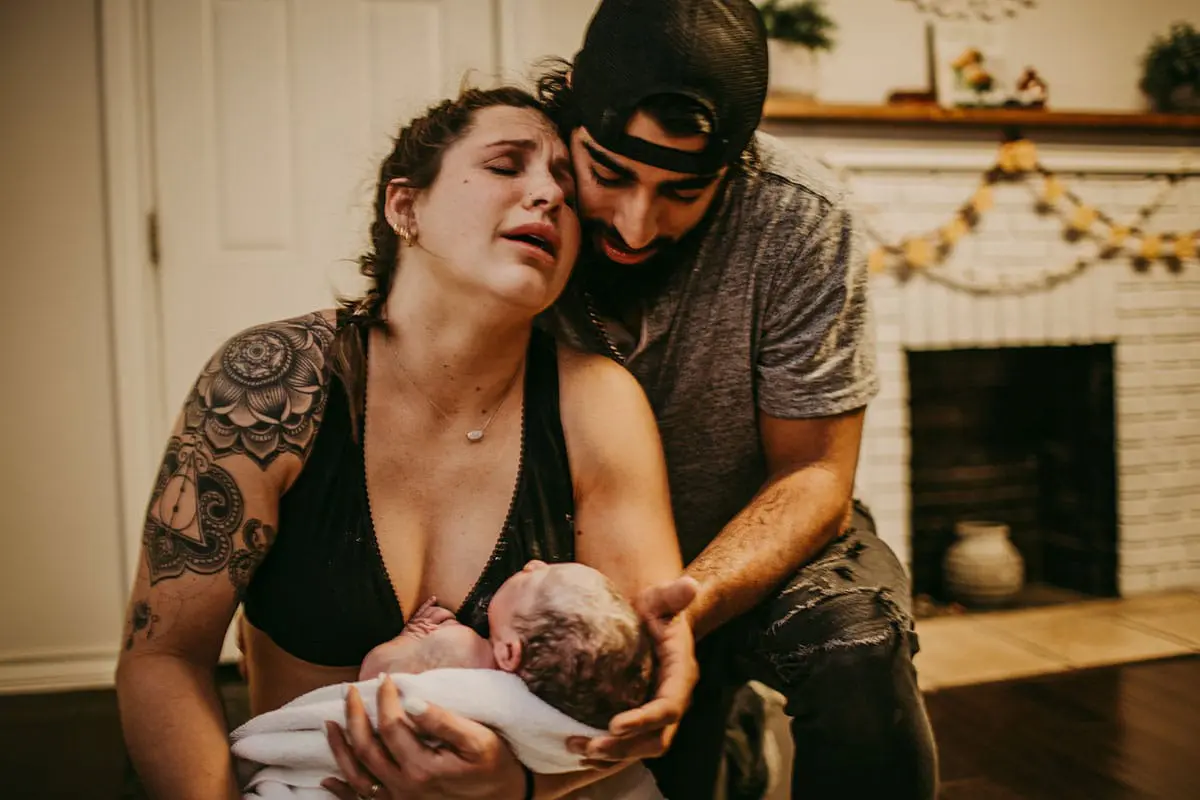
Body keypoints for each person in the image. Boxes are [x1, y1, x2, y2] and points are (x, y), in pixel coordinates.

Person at [115, 85, 697, 800]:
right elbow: (164, 658)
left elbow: (631, 698)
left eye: (569, 193)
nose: (548, 195)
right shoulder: (272, 384)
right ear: (405, 206)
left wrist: (516, 788)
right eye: (505, 165)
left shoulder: (598, 405)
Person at [521, 1, 939, 797]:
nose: (636, 226)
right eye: (609, 174)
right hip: (573, 547)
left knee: (858, 648)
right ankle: (733, 732)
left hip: (753, 529)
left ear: (738, 160)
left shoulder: (801, 218)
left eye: (684, 190)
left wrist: (683, 611)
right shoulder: (516, 188)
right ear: (571, 103)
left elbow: (817, 473)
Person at [231, 561, 665, 799]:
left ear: (509, 652)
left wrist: (413, 635)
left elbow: (377, 680)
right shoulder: (567, 717)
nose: (534, 564)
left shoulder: (462, 650)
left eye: (539, 578)